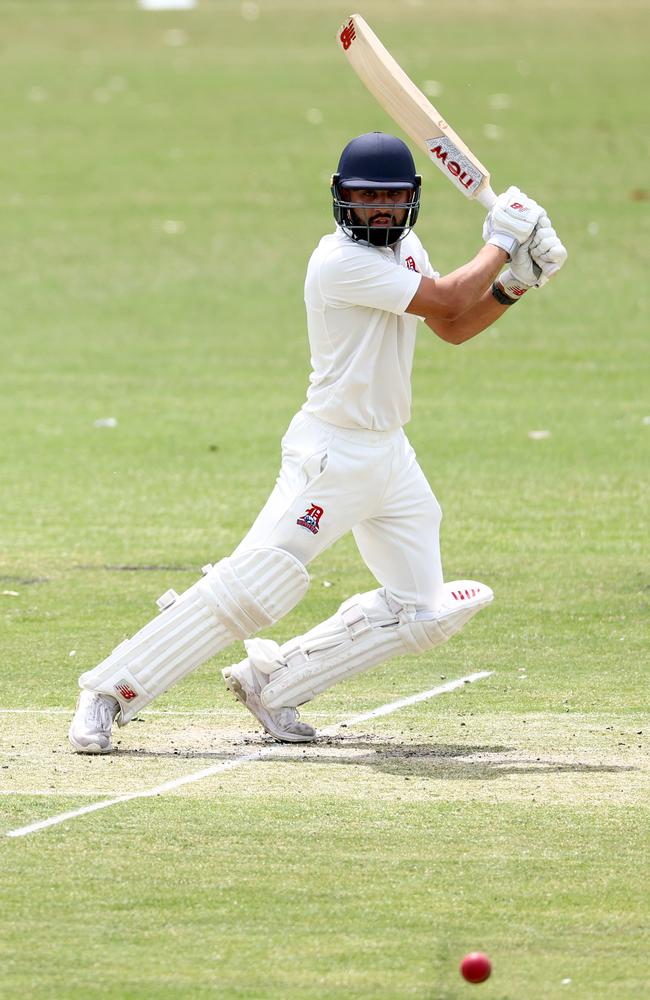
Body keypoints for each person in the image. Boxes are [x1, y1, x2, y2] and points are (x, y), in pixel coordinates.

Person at [69, 131, 567, 753]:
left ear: (412, 200)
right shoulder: (339, 261)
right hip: (331, 455)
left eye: (391, 198)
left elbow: (452, 325)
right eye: (366, 198)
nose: (379, 210)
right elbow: (445, 297)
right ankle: (108, 691)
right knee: (254, 584)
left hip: (390, 456)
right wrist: (501, 239)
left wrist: (518, 280)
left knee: (421, 611)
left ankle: (273, 680)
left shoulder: (407, 246)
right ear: (341, 199)